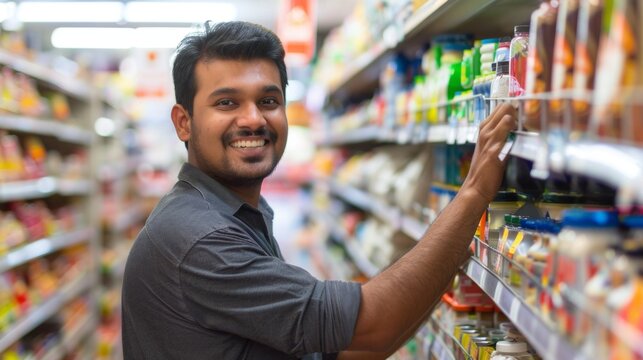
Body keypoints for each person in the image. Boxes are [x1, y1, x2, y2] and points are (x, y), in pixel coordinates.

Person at [121, 21, 517, 360]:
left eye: (269, 100)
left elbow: (355, 348)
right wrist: (473, 194)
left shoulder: (231, 213)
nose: (253, 119)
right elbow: (373, 325)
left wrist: (455, 245)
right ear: (184, 122)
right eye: (227, 102)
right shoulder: (201, 240)